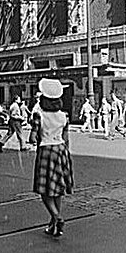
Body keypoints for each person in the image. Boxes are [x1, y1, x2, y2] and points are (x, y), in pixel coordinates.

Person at [30, 78, 74, 238]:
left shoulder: (38, 115)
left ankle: (57, 217)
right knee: (57, 189)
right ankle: (53, 224)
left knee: (44, 191)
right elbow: (66, 137)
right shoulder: (64, 116)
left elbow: (33, 137)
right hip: (61, 150)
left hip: (46, 150)